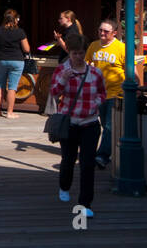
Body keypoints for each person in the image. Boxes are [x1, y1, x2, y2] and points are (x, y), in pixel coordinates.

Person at [50, 33, 107, 217]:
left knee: (87, 163)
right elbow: (53, 92)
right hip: (70, 122)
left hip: (90, 123)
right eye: (75, 53)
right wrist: (64, 79)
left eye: (81, 53)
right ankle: (64, 186)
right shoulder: (62, 70)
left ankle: (85, 204)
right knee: (68, 159)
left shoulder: (95, 72)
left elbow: (102, 93)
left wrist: (96, 103)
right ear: (70, 53)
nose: (78, 57)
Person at [85, 19, 126, 169]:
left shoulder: (121, 48)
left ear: (114, 33)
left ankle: (102, 156)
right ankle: (108, 149)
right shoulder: (94, 46)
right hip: (98, 93)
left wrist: (136, 86)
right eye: (100, 30)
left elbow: (130, 70)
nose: (102, 33)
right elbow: (87, 63)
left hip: (116, 92)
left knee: (109, 126)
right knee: (103, 125)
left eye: (106, 31)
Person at [0, 9, 30, 118]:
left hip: (2, 60)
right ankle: (9, 112)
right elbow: (26, 49)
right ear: (16, 19)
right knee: (12, 87)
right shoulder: (20, 32)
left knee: (0, 85)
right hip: (17, 60)